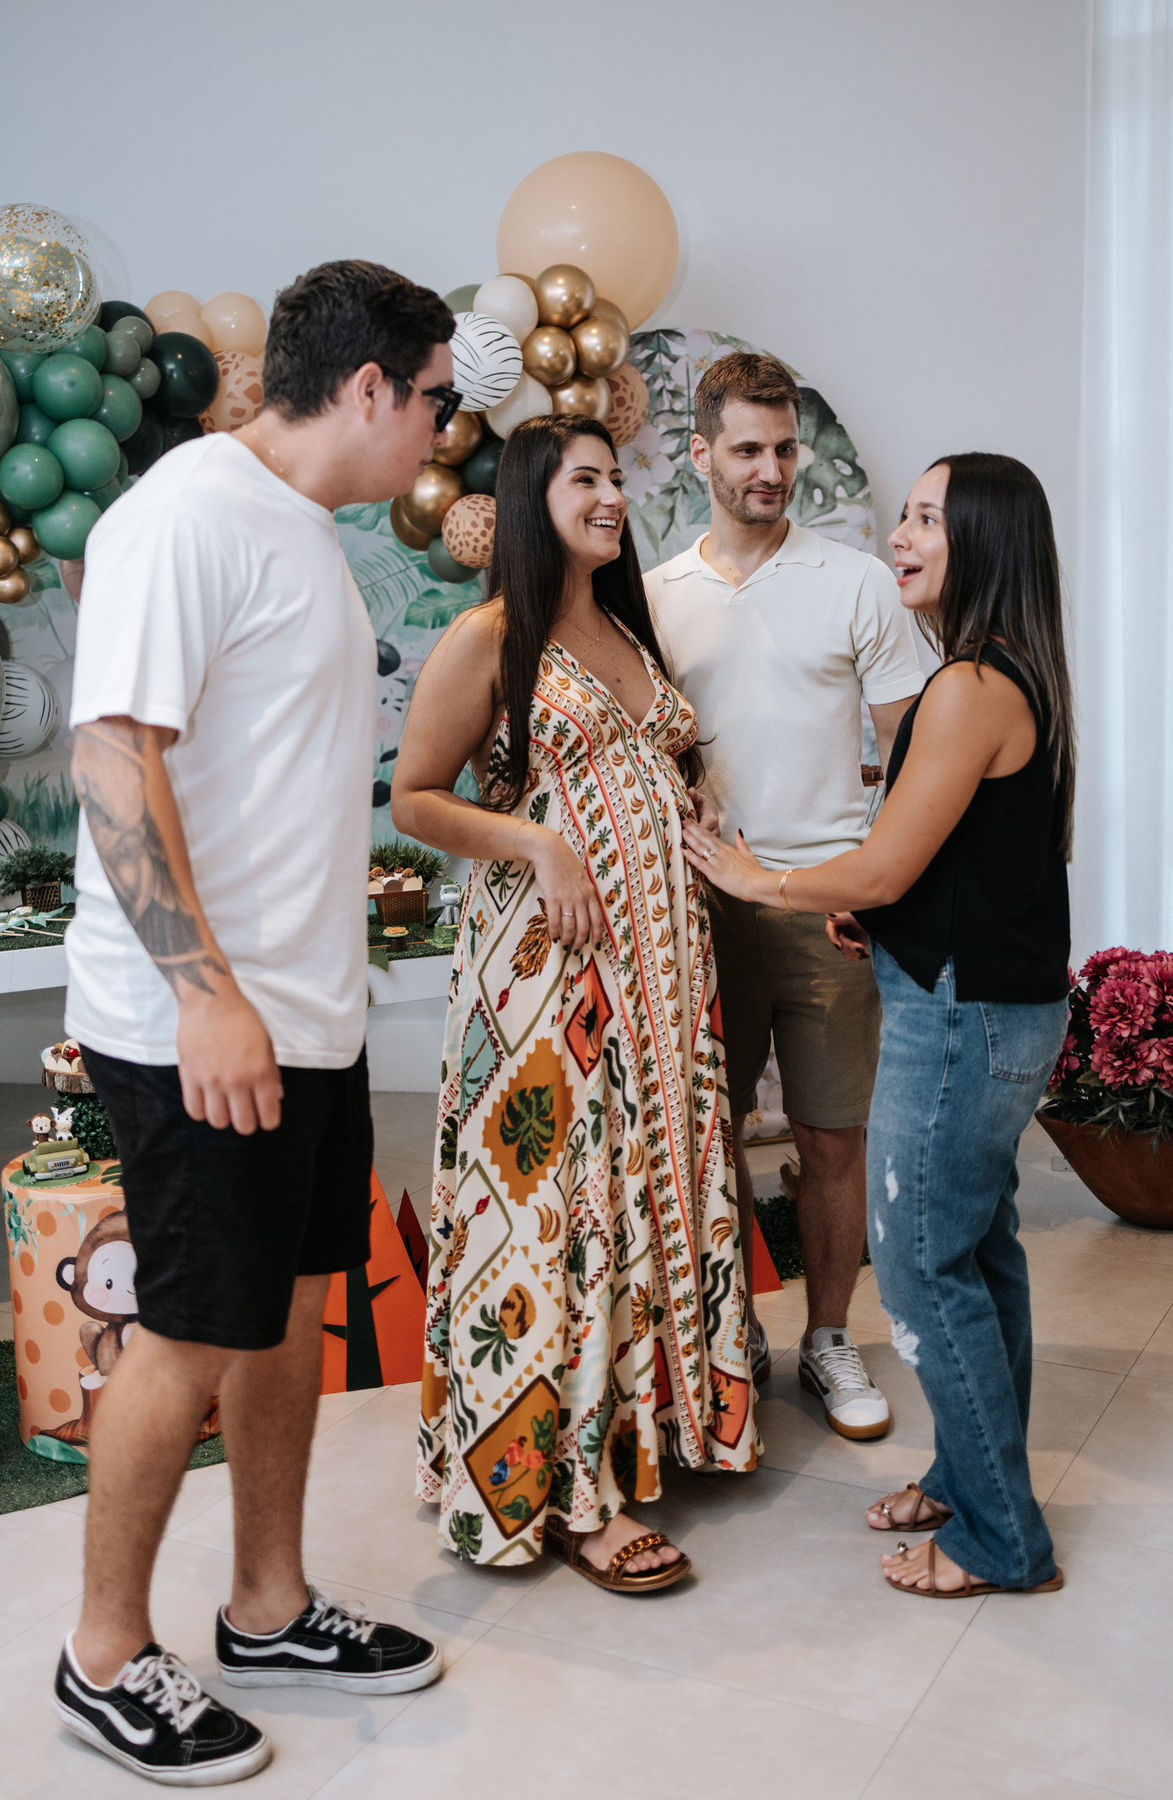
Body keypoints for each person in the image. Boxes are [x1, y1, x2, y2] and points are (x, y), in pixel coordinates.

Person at [55, 261, 459, 1784]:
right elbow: (114, 757)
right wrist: (205, 992)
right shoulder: (185, 515)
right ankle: (103, 1657)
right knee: (189, 1332)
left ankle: (270, 1605)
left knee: (290, 1306)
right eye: (432, 402)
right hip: (197, 1020)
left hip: (304, 1016)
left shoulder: (302, 530)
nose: (440, 432)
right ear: (366, 388)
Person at [682, 452, 1073, 1597]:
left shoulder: (966, 687)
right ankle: (969, 1481)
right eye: (905, 516)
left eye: (927, 521)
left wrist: (760, 880)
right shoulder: (1011, 672)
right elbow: (974, 860)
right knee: (978, 1255)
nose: (900, 537)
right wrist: (881, 917)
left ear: (984, 542)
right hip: (997, 1007)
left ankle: (998, 1542)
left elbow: (892, 861)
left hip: (963, 1024)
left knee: (922, 1270)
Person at [393, 413, 759, 1592]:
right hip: (549, 973)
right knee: (560, 1202)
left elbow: (653, 762)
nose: (610, 496)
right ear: (530, 498)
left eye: (614, 477)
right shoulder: (490, 634)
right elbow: (415, 797)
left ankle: (653, 1427)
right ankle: (560, 1490)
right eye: (582, 480)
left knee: (647, 1180)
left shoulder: (624, 625)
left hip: (666, 971)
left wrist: (699, 811)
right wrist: (537, 844)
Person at [645, 351, 922, 1436]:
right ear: (701, 453)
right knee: (705, 1137)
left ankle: (829, 1339)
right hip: (701, 910)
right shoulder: (656, 596)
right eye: (749, 448)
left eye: (785, 448)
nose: (771, 469)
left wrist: (873, 882)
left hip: (825, 904)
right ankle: (729, 1339)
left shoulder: (855, 581)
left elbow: (913, 753)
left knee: (832, 1139)